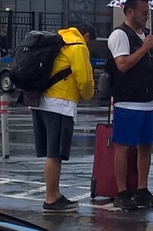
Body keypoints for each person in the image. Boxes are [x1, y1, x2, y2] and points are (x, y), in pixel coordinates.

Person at [107, 0, 153, 210]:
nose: (147, 16)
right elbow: (123, 65)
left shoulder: (146, 35)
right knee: (124, 146)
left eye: (148, 12)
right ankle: (122, 192)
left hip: (150, 99)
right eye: (143, 12)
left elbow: (151, 65)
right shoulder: (120, 35)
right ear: (129, 12)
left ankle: (142, 190)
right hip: (129, 101)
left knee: (146, 146)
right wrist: (145, 48)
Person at [31, 22, 96, 213]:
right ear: (86, 35)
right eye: (90, 41)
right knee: (55, 154)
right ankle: (51, 198)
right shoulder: (77, 46)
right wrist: (88, 94)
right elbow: (84, 80)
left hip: (41, 101)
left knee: (52, 154)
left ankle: (54, 194)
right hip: (60, 104)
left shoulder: (59, 41)